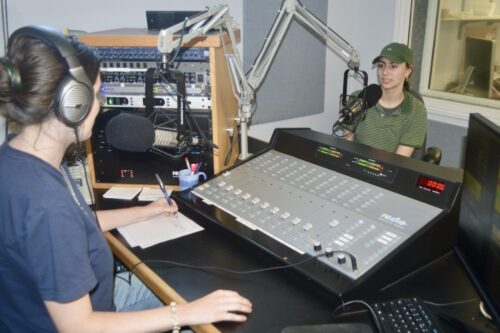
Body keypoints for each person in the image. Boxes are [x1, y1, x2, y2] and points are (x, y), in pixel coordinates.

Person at [0, 25, 252, 333]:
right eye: (95, 95)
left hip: (46, 312)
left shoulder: (18, 159)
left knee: (187, 287)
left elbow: (75, 225)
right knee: (198, 298)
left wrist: (144, 212)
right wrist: (184, 315)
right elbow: (80, 328)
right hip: (87, 319)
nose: (100, 106)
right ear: (72, 105)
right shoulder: (47, 206)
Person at [342, 42, 427, 157]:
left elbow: (399, 161)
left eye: (393, 66)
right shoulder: (359, 97)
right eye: (381, 65)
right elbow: (346, 147)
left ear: (408, 71)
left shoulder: (416, 110)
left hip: (388, 169)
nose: (385, 72)